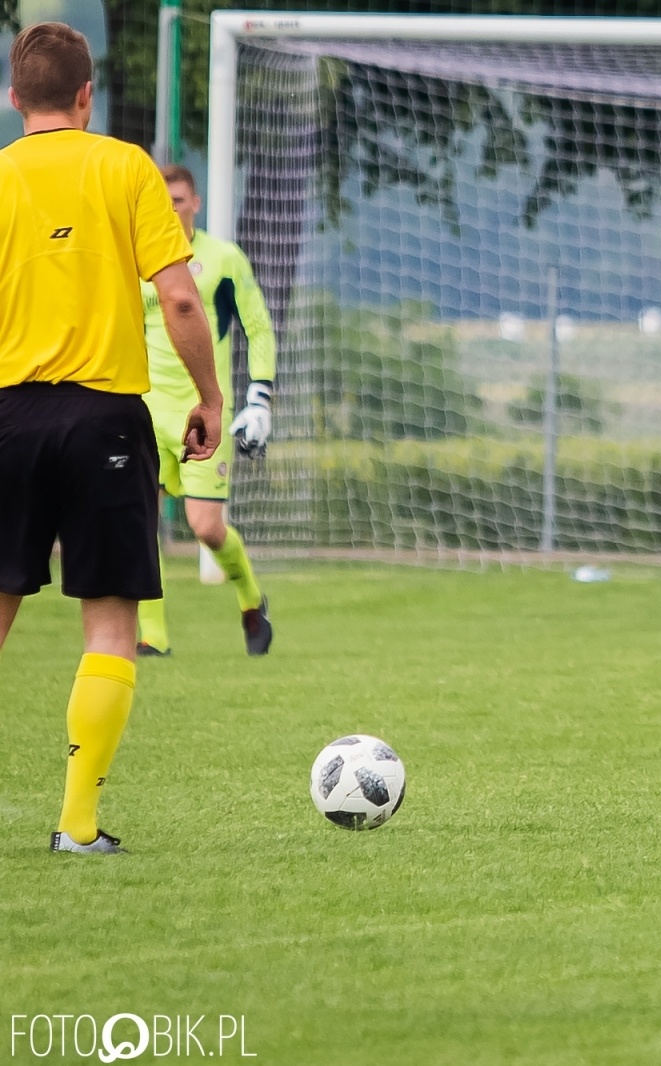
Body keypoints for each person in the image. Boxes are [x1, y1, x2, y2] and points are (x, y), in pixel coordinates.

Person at [0, 23, 224, 853]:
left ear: (16, 98)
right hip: (105, 420)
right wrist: (207, 395)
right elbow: (180, 301)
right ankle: (77, 825)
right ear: (87, 95)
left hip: (8, 416)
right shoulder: (126, 167)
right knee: (110, 626)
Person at [136, 164, 277, 658]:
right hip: (144, 410)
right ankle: (152, 635)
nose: (171, 207)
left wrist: (260, 395)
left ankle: (249, 599)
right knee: (139, 522)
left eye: (178, 199)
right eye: (163, 199)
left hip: (202, 411)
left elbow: (257, 327)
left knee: (206, 528)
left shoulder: (222, 259)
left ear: (195, 203)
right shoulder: (134, 260)